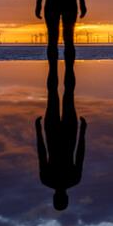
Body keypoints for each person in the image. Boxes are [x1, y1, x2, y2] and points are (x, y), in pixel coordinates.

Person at [35, 70, 86, 211]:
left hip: (65, 134)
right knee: (59, 93)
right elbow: (42, 153)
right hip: (57, 134)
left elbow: (80, 154)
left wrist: (83, 132)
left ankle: (58, 58)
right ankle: (59, 59)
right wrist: (38, 131)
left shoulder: (73, 180)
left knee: (64, 93)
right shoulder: (47, 180)